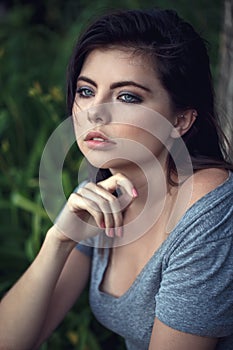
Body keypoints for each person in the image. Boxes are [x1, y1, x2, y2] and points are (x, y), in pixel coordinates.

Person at [1, 8, 233, 350]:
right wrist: (58, 241)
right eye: (85, 91)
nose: (95, 111)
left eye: (127, 96)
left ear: (180, 120)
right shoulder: (99, 195)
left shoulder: (208, 207)